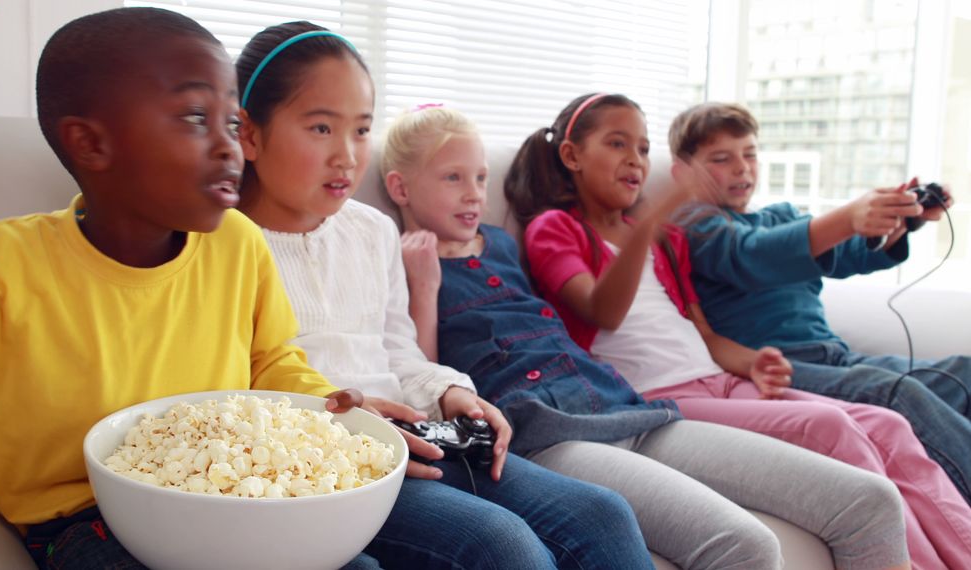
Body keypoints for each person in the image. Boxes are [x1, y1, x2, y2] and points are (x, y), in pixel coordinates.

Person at [0, 4, 364, 568]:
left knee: (463, 546)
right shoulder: (1, 268)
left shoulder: (236, 242)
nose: (229, 146)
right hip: (76, 518)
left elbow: (269, 360)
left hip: (230, 495)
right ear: (91, 144)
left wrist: (316, 405)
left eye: (232, 123)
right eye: (195, 118)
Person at [385, 103, 913, 569]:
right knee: (746, 545)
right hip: (549, 429)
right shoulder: (396, 258)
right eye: (453, 178)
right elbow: (426, 381)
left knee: (870, 500)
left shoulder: (500, 242)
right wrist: (425, 286)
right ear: (400, 187)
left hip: (623, 401)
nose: (474, 194)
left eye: (479, 178)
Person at [231, 21, 652, 569]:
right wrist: (350, 430)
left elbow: (397, 350)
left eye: (360, 131)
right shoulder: (221, 245)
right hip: (328, 464)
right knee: (502, 546)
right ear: (249, 134)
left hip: (419, 433)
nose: (348, 156)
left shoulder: (371, 229)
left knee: (604, 516)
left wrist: (454, 394)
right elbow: (230, 390)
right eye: (319, 129)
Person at [511, 91, 971, 567]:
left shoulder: (667, 240)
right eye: (617, 144)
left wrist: (753, 362)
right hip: (656, 396)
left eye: (644, 149)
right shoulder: (556, 228)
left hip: (719, 379)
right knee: (831, 424)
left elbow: (704, 335)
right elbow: (602, 310)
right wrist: (644, 226)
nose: (635, 160)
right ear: (572, 156)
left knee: (887, 423)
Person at [671, 101, 971, 507]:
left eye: (750, 154)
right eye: (722, 159)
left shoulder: (780, 216)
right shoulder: (696, 226)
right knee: (896, 392)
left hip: (836, 358)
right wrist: (847, 217)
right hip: (780, 368)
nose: (742, 168)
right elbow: (753, 256)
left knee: (961, 374)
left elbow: (849, 253)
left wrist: (897, 222)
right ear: (682, 172)